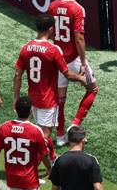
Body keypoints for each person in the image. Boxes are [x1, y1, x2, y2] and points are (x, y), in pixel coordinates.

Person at [13, 14, 88, 161]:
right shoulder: (53, 50)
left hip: (32, 99)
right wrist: (81, 78)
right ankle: (32, 164)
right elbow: (66, 74)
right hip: (47, 101)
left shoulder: (26, 48)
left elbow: (17, 75)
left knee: (39, 133)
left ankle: (51, 158)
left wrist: (16, 98)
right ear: (51, 29)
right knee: (44, 137)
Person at [48, 0, 98, 147]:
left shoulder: (52, 5)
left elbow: (51, 32)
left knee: (60, 100)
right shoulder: (77, 9)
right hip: (73, 59)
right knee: (92, 88)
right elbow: (79, 38)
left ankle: (60, 135)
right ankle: (75, 125)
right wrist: (83, 62)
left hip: (57, 59)